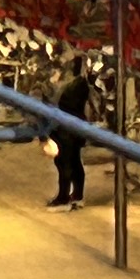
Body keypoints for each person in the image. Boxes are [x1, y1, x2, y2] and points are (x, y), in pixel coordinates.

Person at [48, 63, 92, 209]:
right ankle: (76, 195)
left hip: (68, 129)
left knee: (65, 162)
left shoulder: (73, 85)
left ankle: (64, 197)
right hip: (72, 127)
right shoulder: (76, 84)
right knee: (72, 161)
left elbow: (63, 106)